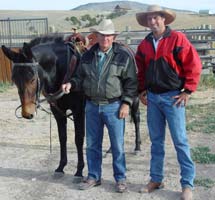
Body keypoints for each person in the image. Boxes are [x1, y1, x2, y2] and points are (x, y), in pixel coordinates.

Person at [61, 19, 137, 193]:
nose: (105, 39)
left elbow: (131, 82)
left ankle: (120, 178)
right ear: (96, 36)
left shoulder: (123, 56)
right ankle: (94, 176)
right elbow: (80, 77)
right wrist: (71, 84)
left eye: (109, 35)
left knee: (117, 145)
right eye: (102, 35)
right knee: (93, 144)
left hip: (114, 106)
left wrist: (126, 103)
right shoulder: (87, 56)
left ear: (114, 37)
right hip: (92, 106)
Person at [135, 5, 202, 200]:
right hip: (154, 98)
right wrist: (142, 90)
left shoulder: (177, 39)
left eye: (156, 18)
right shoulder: (145, 44)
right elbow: (141, 68)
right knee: (156, 142)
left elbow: (193, 64)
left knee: (180, 141)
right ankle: (156, 179)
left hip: (173, 97)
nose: (152, 22)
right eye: (149, 19)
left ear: (164, 19)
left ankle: (187, 184)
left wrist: (188, 90)